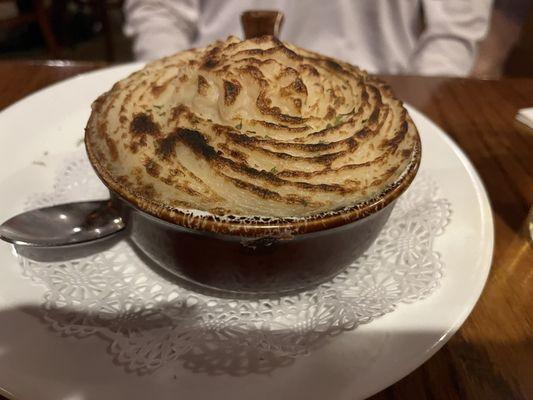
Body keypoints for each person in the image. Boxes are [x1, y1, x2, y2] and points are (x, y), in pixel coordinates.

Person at [123, 0, 493, 77]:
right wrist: (172, 80)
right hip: (207, 81)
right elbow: (159, 9)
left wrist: (414, 113)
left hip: (378, 89)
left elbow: (453, 30)